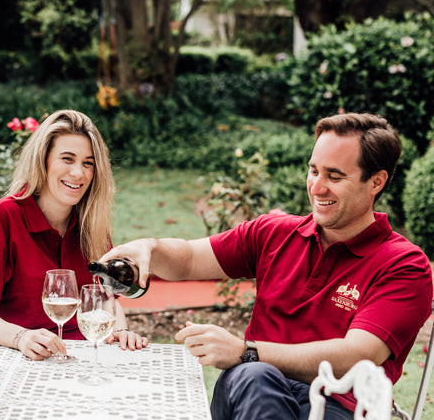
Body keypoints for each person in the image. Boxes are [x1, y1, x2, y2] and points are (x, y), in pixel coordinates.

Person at [99, 112, 432, 419]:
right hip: (249, 390)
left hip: (334, 407)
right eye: (314, 170)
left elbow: (357, 355)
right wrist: (150, 248)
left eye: (335, 176)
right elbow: (187, 260)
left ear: (376, 182)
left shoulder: (404, 265)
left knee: (254, 372)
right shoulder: (274, 234)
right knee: (256, 379)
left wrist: (247, 352)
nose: (316, 187)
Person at [0, 109, 148, 361]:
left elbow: (106, 299)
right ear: (43, 160)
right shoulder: (3, 217)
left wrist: (120, 330)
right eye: (67, 159)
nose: (78, 173)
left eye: (88, 163)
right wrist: (22, 338)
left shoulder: (91, 223)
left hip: (81, 359)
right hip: (17, 358)